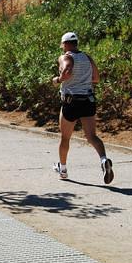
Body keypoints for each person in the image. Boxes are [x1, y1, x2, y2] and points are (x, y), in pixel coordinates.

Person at [51, 32, 113, 184]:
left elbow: (66, 70)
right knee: (92, 136)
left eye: (62, 45)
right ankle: (104, 160)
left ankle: (63, 169)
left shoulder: (66, 57)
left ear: (65, 44)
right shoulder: (87, 57)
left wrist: (57, 80)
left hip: (70, 101)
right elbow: (96, 78)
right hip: (88, 100)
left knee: (65, 138)